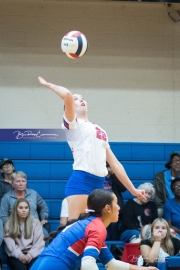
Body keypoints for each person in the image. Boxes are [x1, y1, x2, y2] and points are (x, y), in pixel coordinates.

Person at [38, 76, 146, 220]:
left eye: (82, 98)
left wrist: (133, 190)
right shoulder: (72, 125)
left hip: (99, 184)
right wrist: (49, 85)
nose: (81, 100)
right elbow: (67, 96)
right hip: (81, 181)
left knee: (96, 229)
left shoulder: (100, 130)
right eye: (77, 99)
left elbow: (115, 164)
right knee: (76, 229)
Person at [30, 189, 157, 270]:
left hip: (42, 263)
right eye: (116, 203)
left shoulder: (91, 225)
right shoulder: (98, 227)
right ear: (107, 208)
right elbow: (87, 264)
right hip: (55, 265)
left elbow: (111, 264)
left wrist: (143, 269)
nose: (119, 208)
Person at [0, 171, 49, 236]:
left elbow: (43, 206)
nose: (21, 184)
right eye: (18, 181)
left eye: (23, 181)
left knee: (45, 235)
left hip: (33, 225)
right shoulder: (7, 197)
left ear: (26, 183)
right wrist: (11, 226)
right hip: (15, 226)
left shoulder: (33, 193)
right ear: (12, 183)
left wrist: (44, 218)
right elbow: (3, 216)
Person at [4, 198, 45, 270]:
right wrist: (21, 256)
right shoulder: (9, 224)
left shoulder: (35, 222)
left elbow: (39, 244)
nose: (24, 210)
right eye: (20, 208)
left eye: (26, 208)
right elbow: (10, 246)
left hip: (33, 254)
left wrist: (29, 255)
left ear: (29, 209)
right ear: (16, 209)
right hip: (15, 255)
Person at [154, 151, 180, 217]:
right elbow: (157, 197)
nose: (177, 162)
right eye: (175, 160)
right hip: (165, 205)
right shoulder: (160, 177)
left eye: (179, 160)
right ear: (170, 163)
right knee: (159, 211)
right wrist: (166, 207)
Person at [104, 162, 127, 240]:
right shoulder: (98, 176)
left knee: (114, 227)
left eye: (109, 166)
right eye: (106, 166)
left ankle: (114, 248)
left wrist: (114, 174)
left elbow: (123, 188)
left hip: (114, 205)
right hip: (102, 204)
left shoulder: (115, 177)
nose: (107, 168)